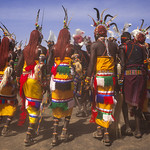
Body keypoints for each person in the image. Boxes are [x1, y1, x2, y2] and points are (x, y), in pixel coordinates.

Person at [85, 8, 118, 146]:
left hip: (99, 79)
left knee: (99, 102)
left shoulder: (95, 45)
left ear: (96, 33)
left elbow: (92, 64)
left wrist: (87, 79)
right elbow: (115, 65)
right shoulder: (114, 45)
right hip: (111, 78)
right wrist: (117, 80)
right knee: (107, 103)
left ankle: (105, 133)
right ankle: (100, 128)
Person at [16, 14, 47, 145]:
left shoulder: (25, 49)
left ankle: (31, 129)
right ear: (39, 37)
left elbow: (18, 66)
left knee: (29, 104)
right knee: (35, 106)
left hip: (25, 79)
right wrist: (44, 82)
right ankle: (29, 134)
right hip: (35, 80)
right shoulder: (42, 49)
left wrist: (18, 78)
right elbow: (42, 67)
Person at [47, 6, 74, 146]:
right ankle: (64, 131)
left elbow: (49, 64)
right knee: (68, 104)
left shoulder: (53, 48)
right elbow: (75, 64)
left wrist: (47, 78)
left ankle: (54, 136)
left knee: (57, 106)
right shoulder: (71, 48)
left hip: (56, 79)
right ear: (68, 36)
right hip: (68, 80)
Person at [119, 22, 148, 138]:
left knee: (125, 101)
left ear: (122, 40)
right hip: (141, 76)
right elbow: (145, 63)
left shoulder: (123, 47)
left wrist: (120, 79)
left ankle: (127, 127)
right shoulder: (141, 48)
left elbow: (122, 63)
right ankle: (138, 130)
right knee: (137, 101)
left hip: (129, 76)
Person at [0, 25, 17, 136]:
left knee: (1, 103)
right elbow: (11, 71)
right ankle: (5, 128)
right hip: (7, 83)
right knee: (12, 103)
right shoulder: (12, 54)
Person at [72, 29, 90, 117]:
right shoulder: (85, 53)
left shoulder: (75, 53)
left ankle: (81, 109)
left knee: (76, 92)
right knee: (84, 92)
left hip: (78, 75)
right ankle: (83, 109)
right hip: (85, 74)